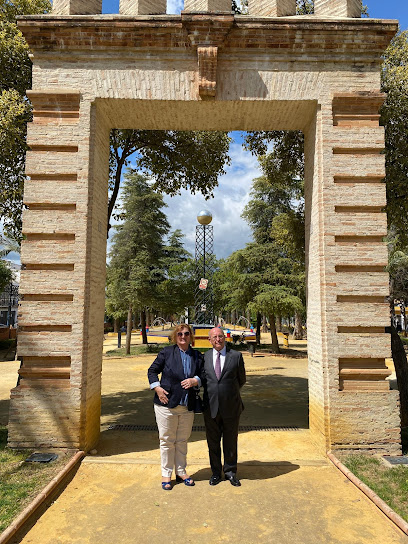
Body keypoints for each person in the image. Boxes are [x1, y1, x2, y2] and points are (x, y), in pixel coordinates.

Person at [148, 323, 203, 490]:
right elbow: (152, 371)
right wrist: (157, 388)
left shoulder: (197, 356)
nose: (183, 337)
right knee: (166, 440)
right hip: (166, 404)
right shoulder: (166, 353)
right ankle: (166, 473)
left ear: (190, 337)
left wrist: (196, 380)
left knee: (182, 440)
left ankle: (181, 471)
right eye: (180, 334)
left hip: (188, 405)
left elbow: (204, 375)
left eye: (186, 334)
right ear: (175, 336)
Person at [202, 327, 246, 487]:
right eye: (214, 337)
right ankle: (215, 473)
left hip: (231, 407)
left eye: (220, 336)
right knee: (212, 442)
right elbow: (203, 379)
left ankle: (230, 472)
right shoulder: (204, 357)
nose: (217, 340)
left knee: (230, 441)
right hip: (210, 407)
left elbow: (241, 380)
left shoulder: (236, 356)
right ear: (209, 340)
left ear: (225, 338)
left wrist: (226, 393)